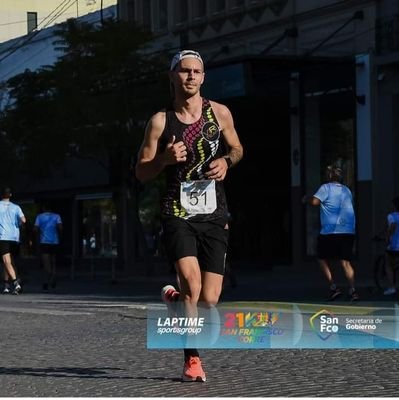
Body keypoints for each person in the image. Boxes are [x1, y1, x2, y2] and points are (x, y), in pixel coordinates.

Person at [135, 49, 243, 382]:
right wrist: (163, 161)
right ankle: (192, 360)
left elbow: (238, 148)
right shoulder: (160, 121)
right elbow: (141, 172)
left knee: (209, 299)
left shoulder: (220, 113)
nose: (191, 76)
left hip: (214, 211)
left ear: (204, 77)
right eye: (184, 71)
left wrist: (227, 160)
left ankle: (175, 299)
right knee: (192, 285)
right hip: (176, 210)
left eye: (197, 71)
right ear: (173, 76)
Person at [302, 165, 359, 301]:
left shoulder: (326, 188)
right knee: (345, 262)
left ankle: (334, 288)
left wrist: (306, 199)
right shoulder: (347, 190)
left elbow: (315, 202)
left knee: (321, 258)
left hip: (331, 231)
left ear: (329, 177)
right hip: (348, 231)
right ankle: (353, 291)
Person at [0, 187, 26, 294]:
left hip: (3, 236)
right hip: (15, 237)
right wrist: (17, 225)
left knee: (6, 261)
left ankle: (16, 283)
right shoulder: (16, 207)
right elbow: (23, 220)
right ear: (10, 195)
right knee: (8, 262)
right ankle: (6, 285)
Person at [34, 203, 63, 291]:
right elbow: (61, 228)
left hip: (44, 242)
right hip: (55, 241)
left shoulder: (39, 217)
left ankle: (47, 280)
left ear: (43, 208)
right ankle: (52, 277)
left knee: (46, 263)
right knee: (53, 261)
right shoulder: (57, 216)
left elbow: (35, 229)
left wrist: (39, 232)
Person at [382, 196, 399, 295]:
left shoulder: (392, 216)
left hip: (394, 247)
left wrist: (387, 237)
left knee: (388, 264)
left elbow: (392, 226)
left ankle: (392, 287)